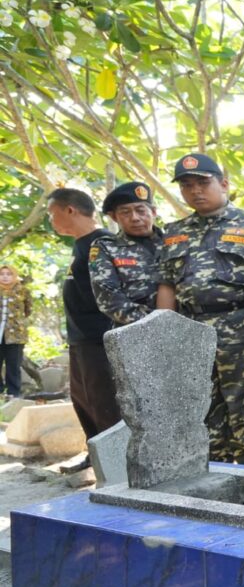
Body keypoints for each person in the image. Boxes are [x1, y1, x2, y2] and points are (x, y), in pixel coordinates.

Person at [156, 153, 244, 465]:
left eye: (203, 183)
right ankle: (215, 485)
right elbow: (167, 285)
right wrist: (166, 336)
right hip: (192, 331)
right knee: (203, 414)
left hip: (242, 329)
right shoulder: (173, 232)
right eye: (187, 185)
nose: (195, 191)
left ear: (224, 184)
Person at [46, 188, 122, 467]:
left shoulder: (102, 242)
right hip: (80, 339)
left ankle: (115, 462)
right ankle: (97, 454)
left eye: (52, 213)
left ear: (70, 210)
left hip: (99, 338)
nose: (50, 220)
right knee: (83, 399)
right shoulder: (80, 244)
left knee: (103, 400)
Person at [90, 181, 163, 326]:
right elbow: (109, 300)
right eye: (125, 212)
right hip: (134, 333)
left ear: (153, 212)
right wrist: (158, 324)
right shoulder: (106, 248)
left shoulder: (174, 243)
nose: (135, 218)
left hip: (184, 329)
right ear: (114, 217)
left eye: (140, 210)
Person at [0, 264, 33, 399]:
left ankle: (14, 394)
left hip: (16, 335)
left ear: (14, 276)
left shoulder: (23, 291)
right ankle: (0, 392)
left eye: (9, 274)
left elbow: (28, 310)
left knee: (13, 365)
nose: (5, 277)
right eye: (2, 274)